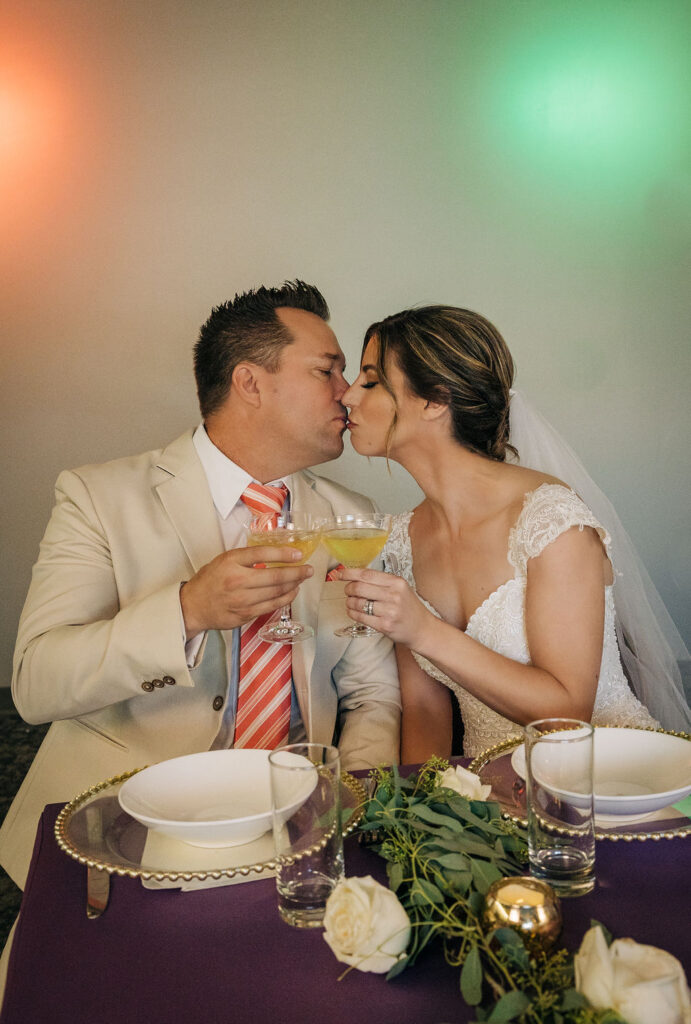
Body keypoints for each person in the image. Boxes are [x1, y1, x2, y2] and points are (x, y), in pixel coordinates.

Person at [0, 281, 400, 889]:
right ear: (250, 383)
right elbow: (35, 682)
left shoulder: (351, 515)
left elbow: (373, 693)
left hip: (299, 841)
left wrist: (352, 807)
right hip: (119, 841)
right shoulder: (97, 497)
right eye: (327, 370)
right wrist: (185, 611)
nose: (347, 392)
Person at [338, 304, 690, 761]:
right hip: (488, 803)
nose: (347, 396)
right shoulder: (401, 540)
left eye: (369, 381)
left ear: (434, 400)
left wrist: (423, 630)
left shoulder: (550, 520)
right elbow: (425, 710)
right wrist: (422, 816)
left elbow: (568, 712)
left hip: (607, 783)